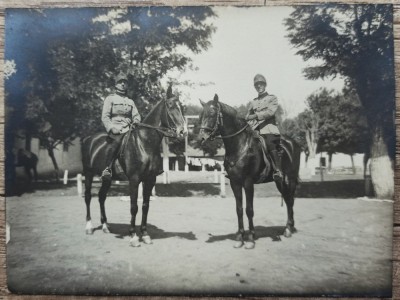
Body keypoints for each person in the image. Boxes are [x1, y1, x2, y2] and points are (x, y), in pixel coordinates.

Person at [101, 73, 141, 180]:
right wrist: (111, 128)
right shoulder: (110, 99)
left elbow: (137, 116)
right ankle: (107, 169)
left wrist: (135, 122)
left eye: (125, 82)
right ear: (116, 85)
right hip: (116, 129)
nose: (123, 84)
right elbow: (105, 117)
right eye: (120, 82)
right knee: (116, 143)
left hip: (128, 129)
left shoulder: (130, 101)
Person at [246, 74, 282, 182]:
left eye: (261, 84)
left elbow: (270, 112)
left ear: (265, 85)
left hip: (269, 129)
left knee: (270, 144)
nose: (259, 86)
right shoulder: (253, 102)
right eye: (257, 85)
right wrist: (247, 117)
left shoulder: (272, 98)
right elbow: (248, 115)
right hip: (255, 130)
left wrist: (256, 115)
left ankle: (277, 170)